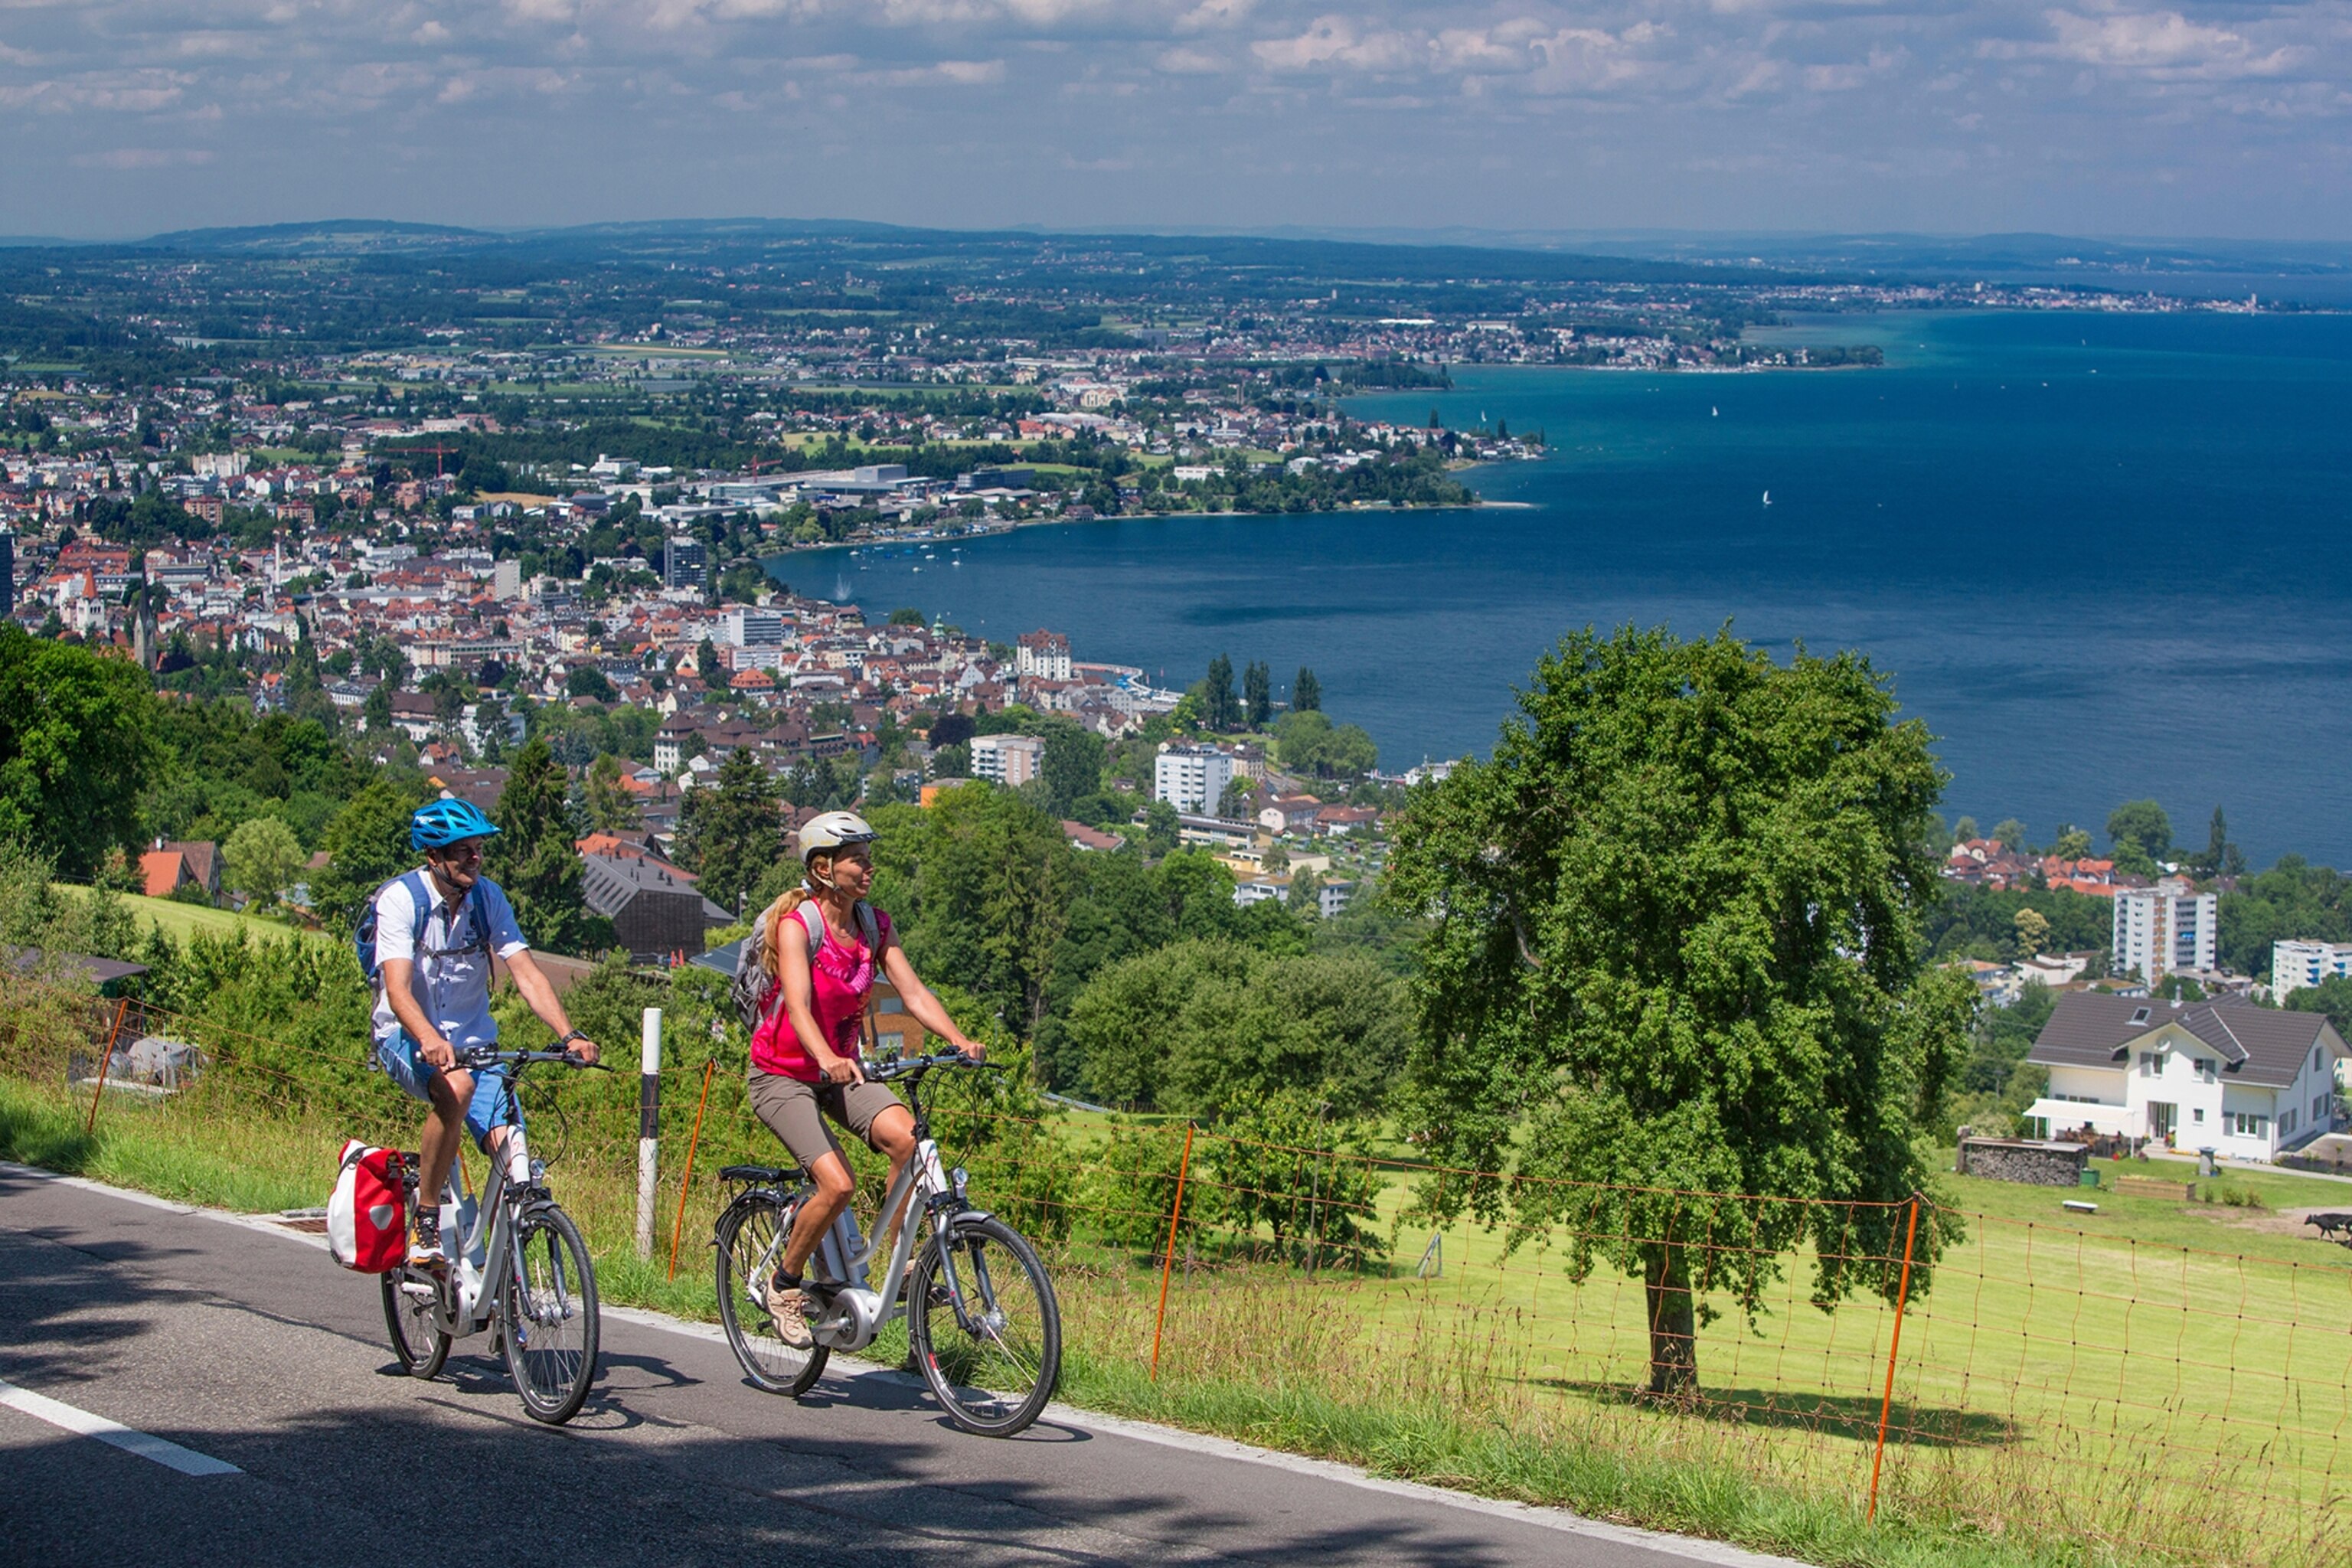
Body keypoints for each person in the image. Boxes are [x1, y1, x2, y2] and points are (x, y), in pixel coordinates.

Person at [746, 809, 983, 1348]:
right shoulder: (797, 925)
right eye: (858, 859)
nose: (869, 867)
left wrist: (958, 1039)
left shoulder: (874, 924)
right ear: (825, 868)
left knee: (910, 1142)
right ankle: (784, 1286)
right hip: (782, 1076)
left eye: (868, 857)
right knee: (838, 1182)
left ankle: (896, 1266)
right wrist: (827, 1055)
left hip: (842, 1072)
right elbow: (800, 1007)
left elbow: (914, 993)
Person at [373, 798, 600, 1266]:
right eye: (463, 851)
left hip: (476, 1045)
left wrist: (569, 1033)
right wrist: (430, 1040)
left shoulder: (487, 898)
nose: (475, 859)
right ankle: (428, 1220)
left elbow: (526, 974)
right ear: (434, 857)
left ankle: (503, 1287)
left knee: (514, 1155)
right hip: (406, 1036)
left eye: (479, 850)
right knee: (455, 1089)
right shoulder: (401, 900)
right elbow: (398, 991)